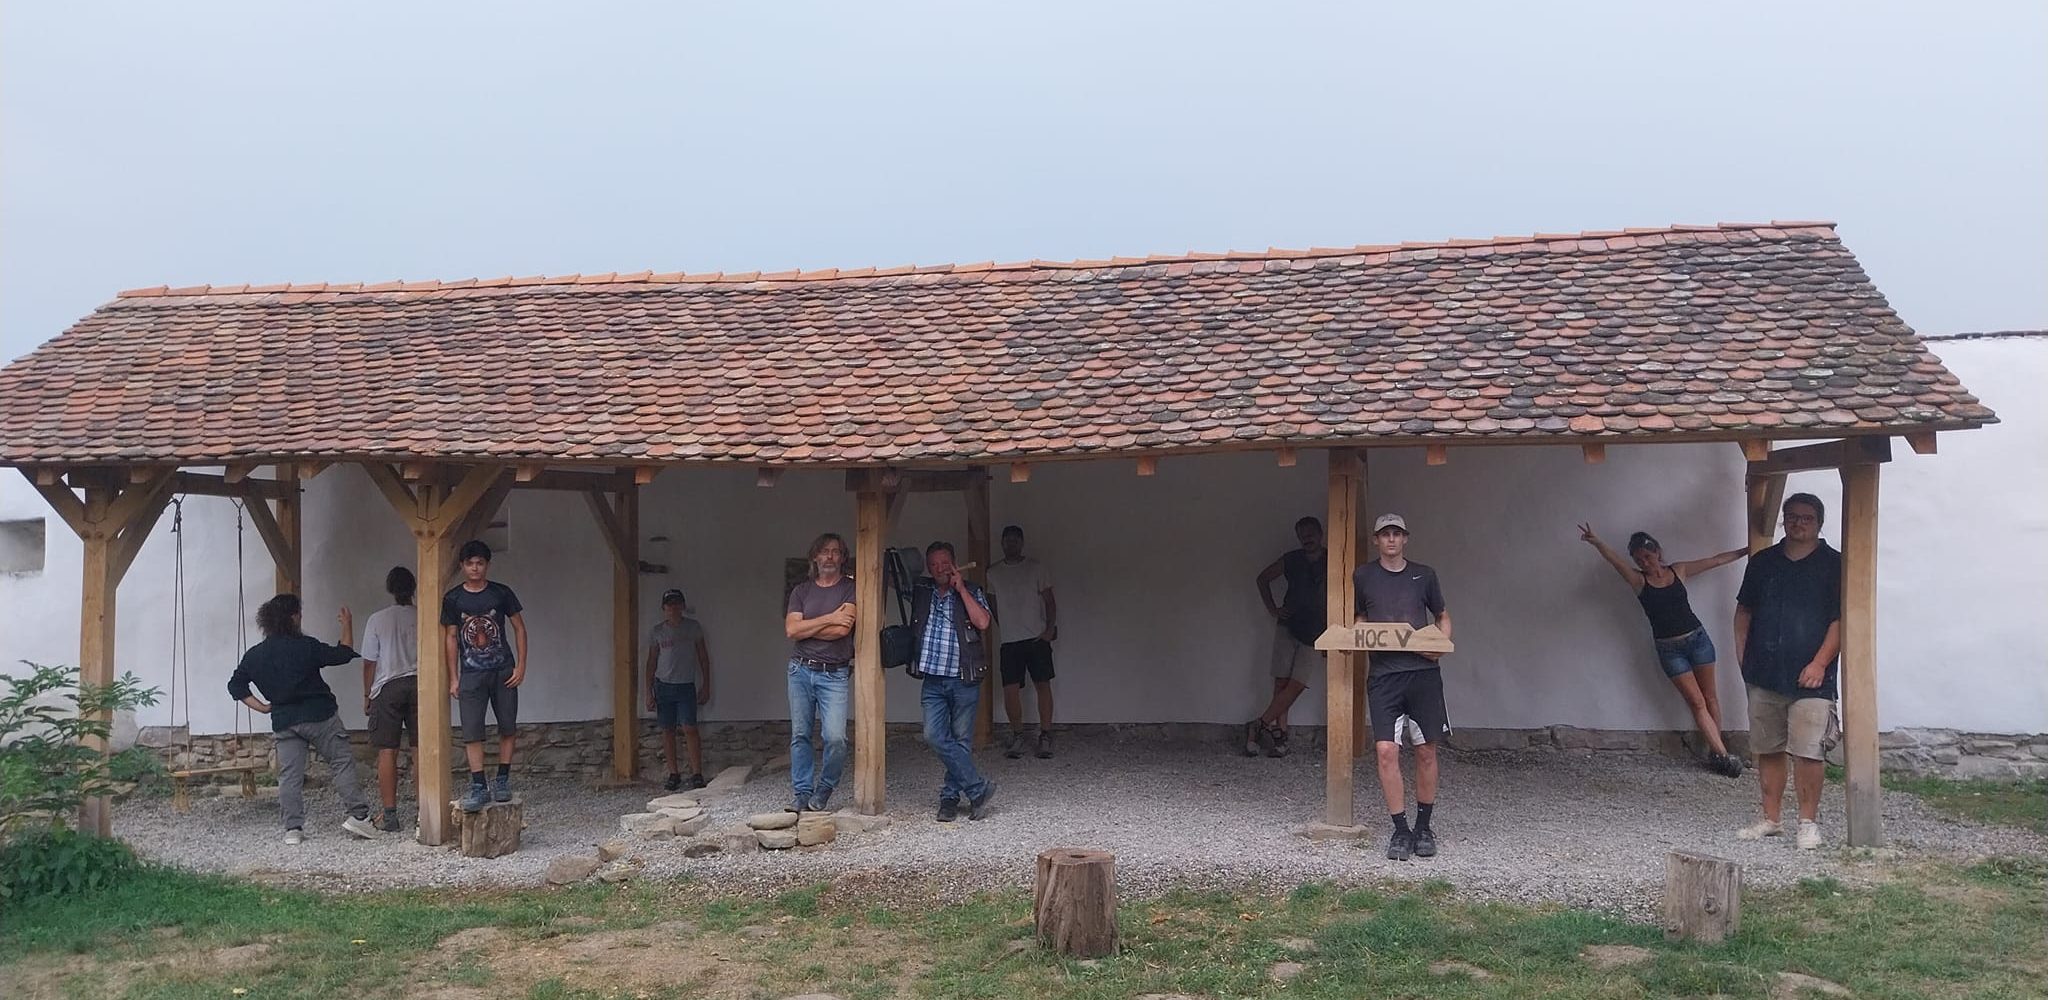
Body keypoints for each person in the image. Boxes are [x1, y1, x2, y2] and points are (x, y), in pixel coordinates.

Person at [1578, 524, 1749, 778]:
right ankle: (1723, 756)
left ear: (1657, 552)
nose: (1645, 562)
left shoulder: (1678, 570)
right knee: (1696, 702)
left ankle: (1718, 752)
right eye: (1639, 560)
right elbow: (1615, 561)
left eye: (1648, 556)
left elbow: (1715, 561)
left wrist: (1746, 550)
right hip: (1670, 650)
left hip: (1698, 640)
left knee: (1711, 698)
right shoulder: (1639, 581)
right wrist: (1597, 542)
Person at [1733, 493, 1843, 851]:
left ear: (1819, 523)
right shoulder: (1763, 562)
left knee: (1809, 751)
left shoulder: (1835, 564)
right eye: (1792, 516)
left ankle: (1808, 823)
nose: (1798, 523)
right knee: (1768, 748)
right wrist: (1743, 658)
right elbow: (1744, 611)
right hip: (1764, 673)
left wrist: (1820, 663)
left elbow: (1841, 620)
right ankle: (1771, 819)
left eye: (1806, 518)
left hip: (1813, 678)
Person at [227, 593, 378, 844]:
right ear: (293, 617)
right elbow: (342, 654)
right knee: (341, 762)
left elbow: (235, 686)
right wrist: (347, 624)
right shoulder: (306, 646)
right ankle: (359, 817)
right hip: (320, 716)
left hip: (284, 720)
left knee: (289, 775)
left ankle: (293, 829)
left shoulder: (255, 655)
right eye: (299, 613)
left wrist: (262, 707)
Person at [1355, 513, 1452, 862]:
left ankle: (1423, 827)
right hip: (1384, 676)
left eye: (1397, 533)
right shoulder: (1363, 576)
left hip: (1422, 674)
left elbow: (1442, 616)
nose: (1392, 539)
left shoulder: (1424, 574)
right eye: (1385, 534)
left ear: (1405, 538)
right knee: (1385, 751)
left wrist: (1440, 645)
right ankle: (1400, 829)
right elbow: (1360, 618)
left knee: (1426, 751)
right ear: (1377, 540)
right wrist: (1359, 636)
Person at [910, 540, 996, 822]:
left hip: (963, 677)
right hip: (933, 678)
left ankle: (949, 799)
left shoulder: (972, 589)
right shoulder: (922, 591)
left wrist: (961, 590)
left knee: (961, 740)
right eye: (934, 565)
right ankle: (978, 788)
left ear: (955, 564)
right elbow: (895, 579)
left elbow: (983, 623)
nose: (939, 569)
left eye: (944, 564)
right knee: (933, 735)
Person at [441, 539, 528, 814]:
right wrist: (453, 677)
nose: (475, 568)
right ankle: (479, 785)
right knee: (471, 731)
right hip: (471, 673)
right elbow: (451, 637)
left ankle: (502, 779)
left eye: (480, 563)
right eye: (470, 563)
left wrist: (521, 666)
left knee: (507, 726)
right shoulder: (453, 599)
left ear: (487, 565)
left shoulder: (501, 593)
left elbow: (519, 628)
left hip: (503, 670)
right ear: (462, 566)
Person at [784, 532, 855, 813]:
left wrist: (809, 626)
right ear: (815, 556)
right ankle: (802, 793)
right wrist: (830, 617)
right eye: (824, 551)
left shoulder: (850, 589)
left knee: (835, 738)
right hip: (800, 670)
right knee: (800, 735)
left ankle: (825, 787)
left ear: (842, 557)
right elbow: (792, 630)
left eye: (835, 551)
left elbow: (842, 630)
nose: (829, 556)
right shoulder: (801, 591)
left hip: (834, 674)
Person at [1248, 516, 1326, 757]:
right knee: (1281, 682)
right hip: (1288, 625)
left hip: (1316, 630)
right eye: (1302, 535)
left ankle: (1259, 724)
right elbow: (1263, 579)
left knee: (1298, 683)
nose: (1307, 538)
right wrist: (1273, 609)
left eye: (1311, 533)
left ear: (1320, 534)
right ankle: (1280, 735)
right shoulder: (1292, 559)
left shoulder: (1332, 560)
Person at [988, 524, 1058, 760]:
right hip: (1010, 641)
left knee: (1043, 685)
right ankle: (1017, 734)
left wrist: (1049, 629)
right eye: (1007, 540)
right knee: (1010, 690)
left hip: (1036, 638)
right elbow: (992, 604)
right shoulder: (993, 573)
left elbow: (1050, 600)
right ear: (1002, 543)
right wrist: (1006, 626)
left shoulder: (1036, 568)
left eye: (1015, 540)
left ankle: (1045, 734)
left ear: (1022, 542)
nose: (1011, 544)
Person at [359, 566, 419, 832]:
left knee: (387, 750)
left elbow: (369, 662)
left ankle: (390, 814)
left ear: (390, 589)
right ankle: (424, 812)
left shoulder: (377, 619)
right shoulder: (422, 616)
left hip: (388, 685)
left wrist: (367, 694)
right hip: (420, 684)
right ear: (413, 588)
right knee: (420, 750)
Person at [645, 588, 712, 791]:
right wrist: (648, 691)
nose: (673, 608)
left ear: (682, 606)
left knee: (690, 728)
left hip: (685, 685)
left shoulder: (693, 628)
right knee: (668, 730)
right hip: (663, 685)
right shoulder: (657, 631)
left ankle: (697, 772)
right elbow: (651, 661)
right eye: (669, 604)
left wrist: (706, 684)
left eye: (676, 603)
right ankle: (673, 773)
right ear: (663, 608)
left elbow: (703, 657)